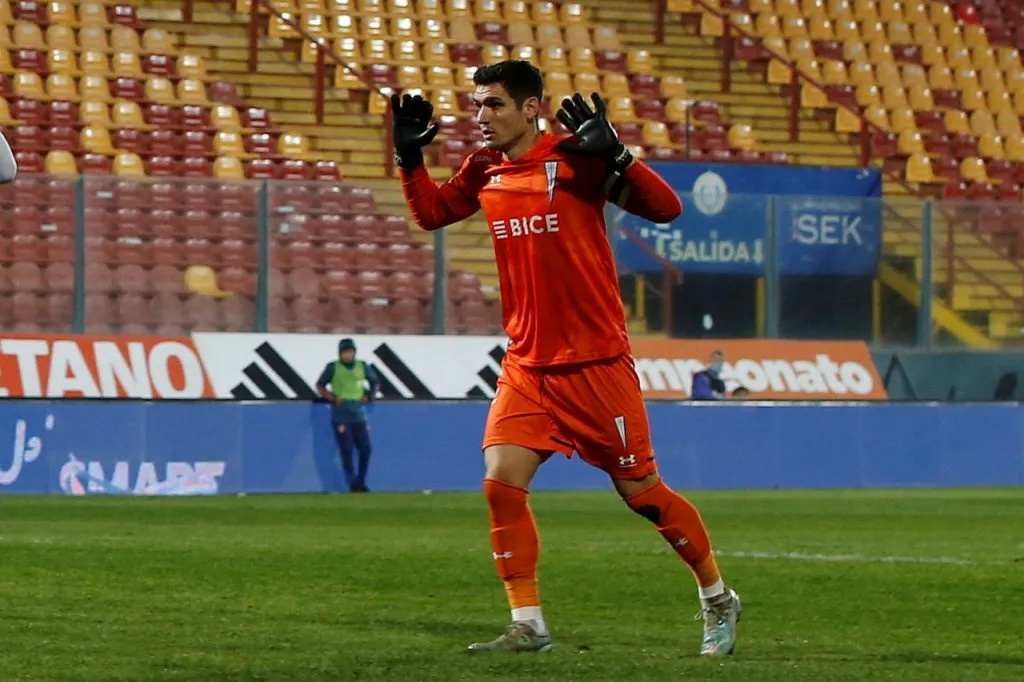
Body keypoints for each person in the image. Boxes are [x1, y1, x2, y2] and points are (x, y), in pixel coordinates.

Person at [392, 60, 741, 656]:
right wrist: (408, 159)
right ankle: (528, 623)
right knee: (502, 482)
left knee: (643, 493)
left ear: (530, 108)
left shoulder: (578, 159)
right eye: (477, 105)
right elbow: (432, 214)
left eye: (494, 105)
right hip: (528, 364)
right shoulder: (484, 169)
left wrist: (621, 157)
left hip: (596, 363)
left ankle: (716, 597)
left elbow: (667, 210)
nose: (481, 117)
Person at [315, 338, 379, 493]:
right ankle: (352, 482)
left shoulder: (362, 366)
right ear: (340, 353)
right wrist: (332, 399)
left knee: (366, 448)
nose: (348, 356)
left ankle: (361, 480)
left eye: (350, 352)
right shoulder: (333, 367)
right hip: (341, 414)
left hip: (358, 413)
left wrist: (370, 396)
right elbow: (320, 385)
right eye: (345, 352)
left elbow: (375, 382)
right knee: (347, 449)